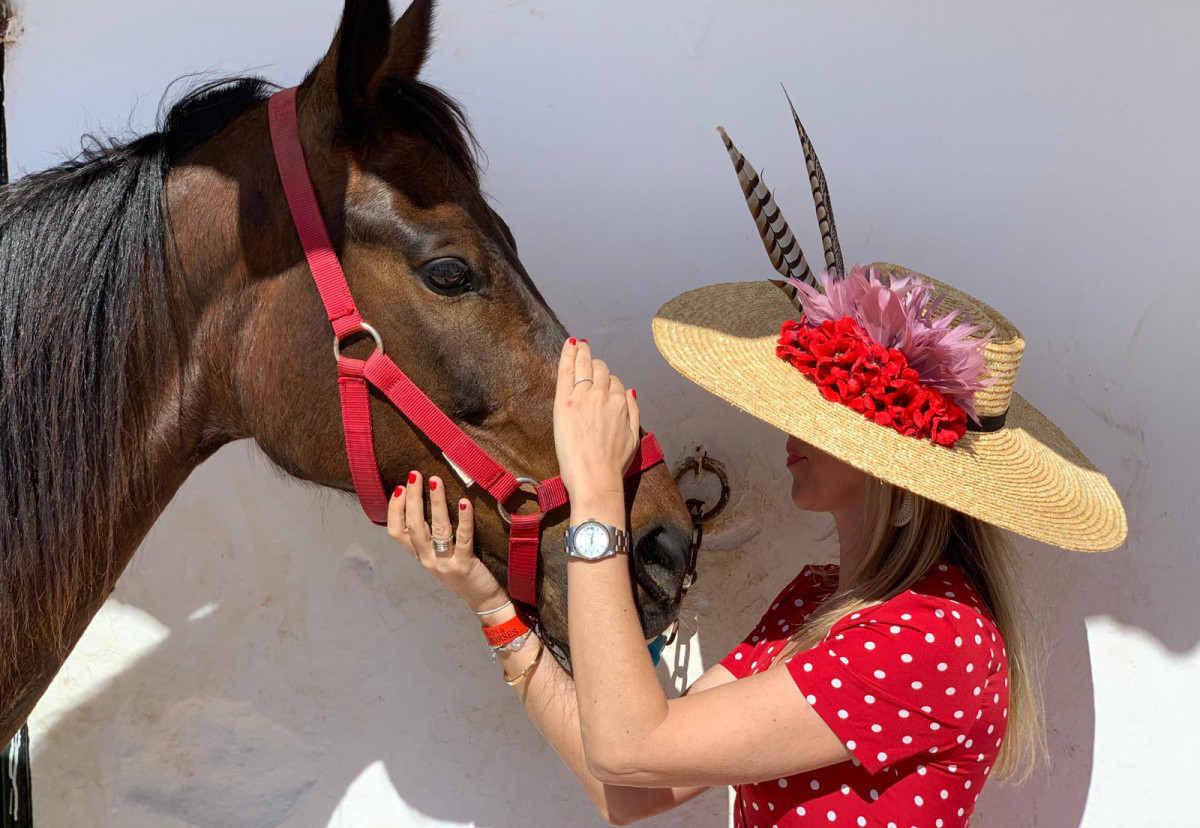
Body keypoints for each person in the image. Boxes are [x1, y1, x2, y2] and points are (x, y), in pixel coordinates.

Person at [383, 114, 1126, 826]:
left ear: (898, 470)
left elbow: (629, 746)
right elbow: (632, 790)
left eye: (823, 420)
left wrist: (598, 500)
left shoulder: (931, 634)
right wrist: (492, 607)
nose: (790, 428)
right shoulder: (824, 602)